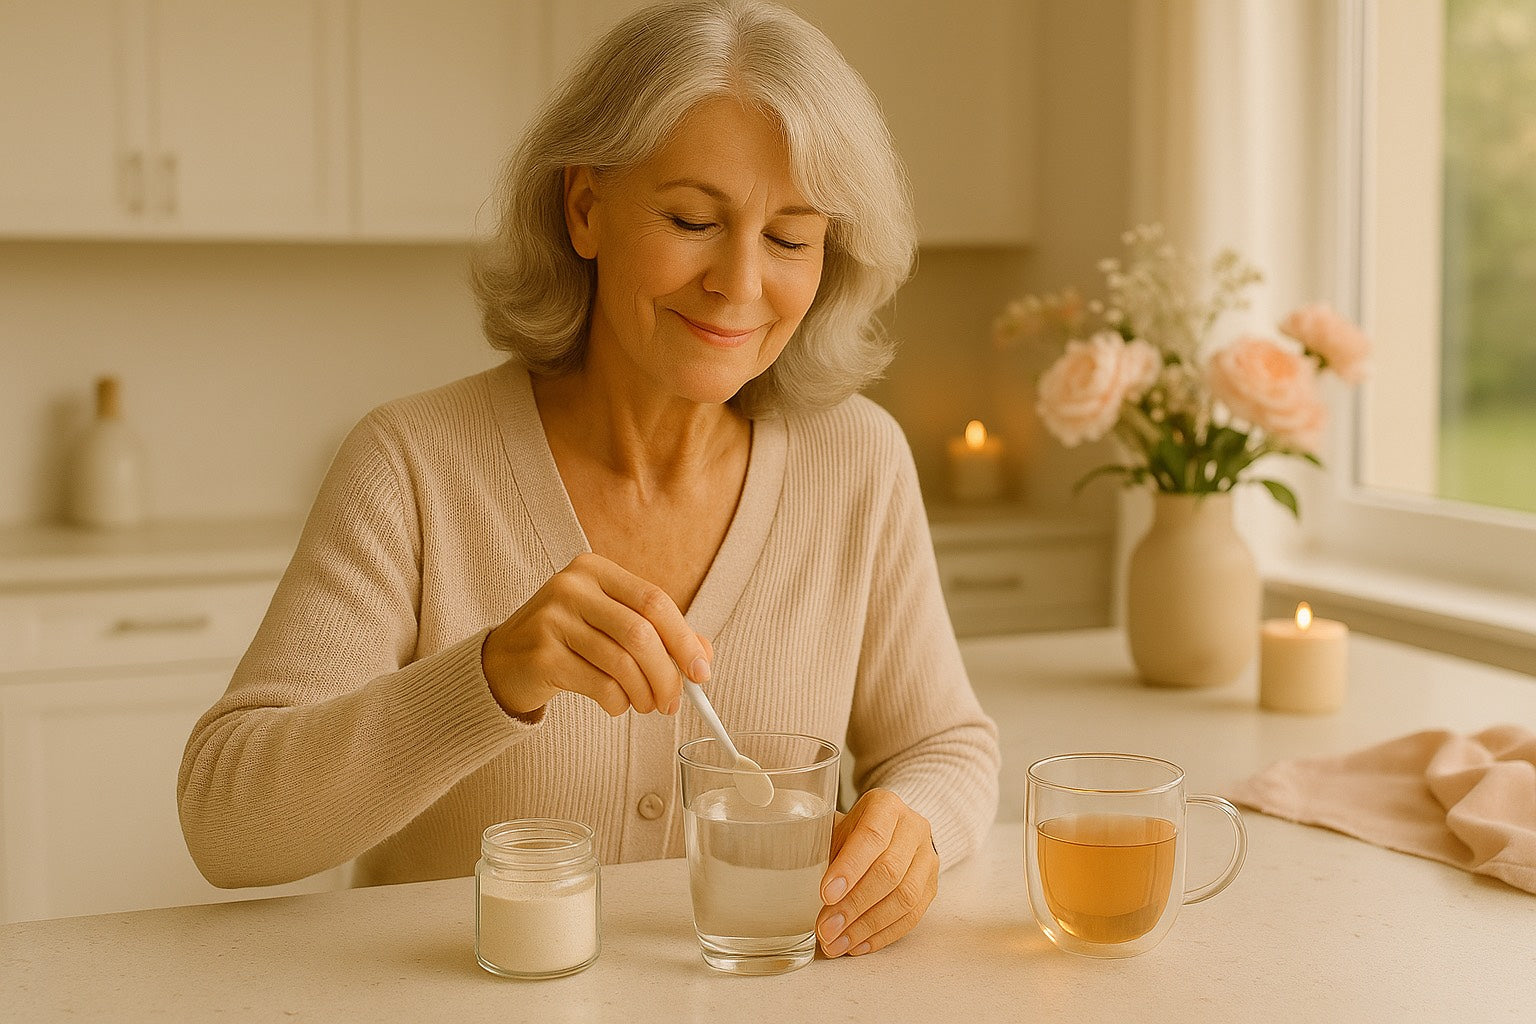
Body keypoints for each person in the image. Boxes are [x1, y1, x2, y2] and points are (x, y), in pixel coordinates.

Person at [178, 0, 999, 961]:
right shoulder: (413, 463)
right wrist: (488, 678)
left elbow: (948, 746)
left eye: (789, 238)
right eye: (693, 218)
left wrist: (915, 827)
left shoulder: (857, 460)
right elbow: (224, 823)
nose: (739, 283)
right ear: (583, 207)